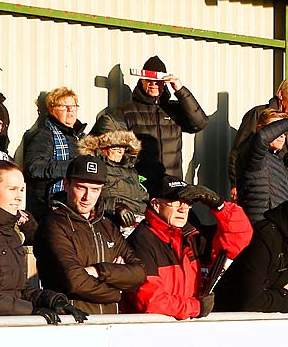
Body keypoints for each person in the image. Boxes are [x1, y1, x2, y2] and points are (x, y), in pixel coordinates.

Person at [0, 160, 86, 322]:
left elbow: (19, 290)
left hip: (9, 326)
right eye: (12, 189)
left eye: (21, 189)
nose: (19, 197)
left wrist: (53, 300)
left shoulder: (9, 231)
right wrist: (31, 310)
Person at [124, 175, 253, 319]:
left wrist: (219, 205)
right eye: (175, 202)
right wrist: (197, 307)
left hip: (186, 327)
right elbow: (151, 301)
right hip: (149, 332)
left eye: (187, 202)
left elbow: (238, 239)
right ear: (155, 204)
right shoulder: (141, 241)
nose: (182, 209)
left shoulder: (191, 236)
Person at [36, 155, 146, 316]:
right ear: (66, 184)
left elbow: (139, 274)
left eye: (95, 190)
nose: (87, 197)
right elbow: (74, 282)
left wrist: (99, 270)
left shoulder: (106, 225)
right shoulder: (53, 224)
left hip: (109, 324)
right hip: (70, 322)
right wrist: (117, 292)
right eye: (81, 187)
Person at [92, 56, 208, 191]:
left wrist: (180, 90)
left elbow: (199, 123)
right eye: (149, 80)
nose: (153, 84)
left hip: (171, 185)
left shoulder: (174, 109)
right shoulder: (125, 111)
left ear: (164, 83)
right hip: (140, 187)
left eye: (157, 80)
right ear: (141, 80)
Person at [228, 77, 288, 194]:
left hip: (282, 188)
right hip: (255, 185)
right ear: (281, 94)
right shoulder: (258, 114)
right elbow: (239, 151)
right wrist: (235, 184)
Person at [19, 86, 85, 219]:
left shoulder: (83, 138)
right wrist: (72, 167)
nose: (70, 110)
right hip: (49, 208)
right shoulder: (44, 135)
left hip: (77, 204)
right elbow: (33, 167)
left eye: (73, 106)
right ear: (51, 109)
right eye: (64, 106)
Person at [79, 127, 149, 228]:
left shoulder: (131, 170)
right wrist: (115, 207)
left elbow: (143, 195)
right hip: (114, 220)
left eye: (123, 147)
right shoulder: (97, 170)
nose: (120, 151)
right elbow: (88, 199)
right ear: (102, 150)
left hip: (141, 218)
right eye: (115, 148)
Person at [235, 112, 288, 224]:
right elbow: (262, 138)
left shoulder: (276, 160)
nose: (282, 134)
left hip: (275, 225)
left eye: (285, 132)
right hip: (260, 224)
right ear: (260, 128)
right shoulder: (250, 152)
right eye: (277, 128)